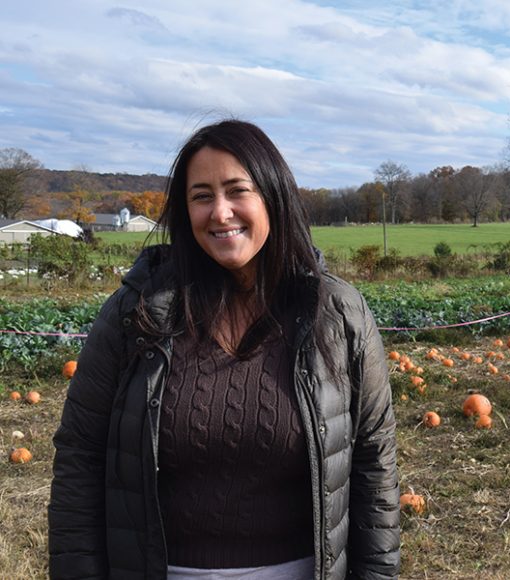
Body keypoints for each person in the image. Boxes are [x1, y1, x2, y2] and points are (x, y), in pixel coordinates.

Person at [48, 119, 400, 579]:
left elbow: (375, 466)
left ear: (273, 196)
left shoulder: (337, 314)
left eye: (237, 190)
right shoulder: (134, 313)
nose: (220, 212)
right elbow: (81, 459)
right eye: (201, 196)